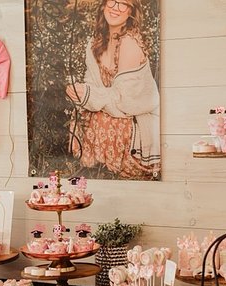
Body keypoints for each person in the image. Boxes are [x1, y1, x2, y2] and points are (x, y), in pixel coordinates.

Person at [66, 0, 160, 180]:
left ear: (131, 12)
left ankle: (112, 170)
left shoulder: (129, 43)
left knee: (101, 118)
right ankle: (96, 171)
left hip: (136, 116)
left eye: (123, 3)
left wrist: (90, 96)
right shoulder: (96, 42)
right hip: (112, 107)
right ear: (103, 5)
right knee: (83, 113)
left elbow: (126, 102)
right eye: (112, 1)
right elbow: (92, 83)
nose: (115, 7)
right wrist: (80, 92)